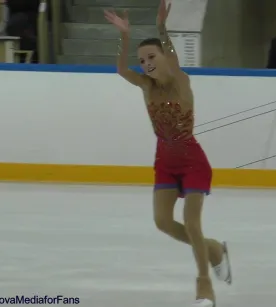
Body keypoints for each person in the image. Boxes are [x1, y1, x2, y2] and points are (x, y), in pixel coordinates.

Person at [104, 1, 232, 307]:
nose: (147, 63)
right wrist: (125, 37)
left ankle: (204, 286)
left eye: (152, 56)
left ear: (164, 57)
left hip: (192, 161)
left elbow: (173, 61)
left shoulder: (181, 82)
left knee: (192, 223)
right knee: (162, 221)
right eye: (143, 59)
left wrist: (161, 29)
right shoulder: (146, 87)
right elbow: (122, 69)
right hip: (164, 161)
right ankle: (214, 250)